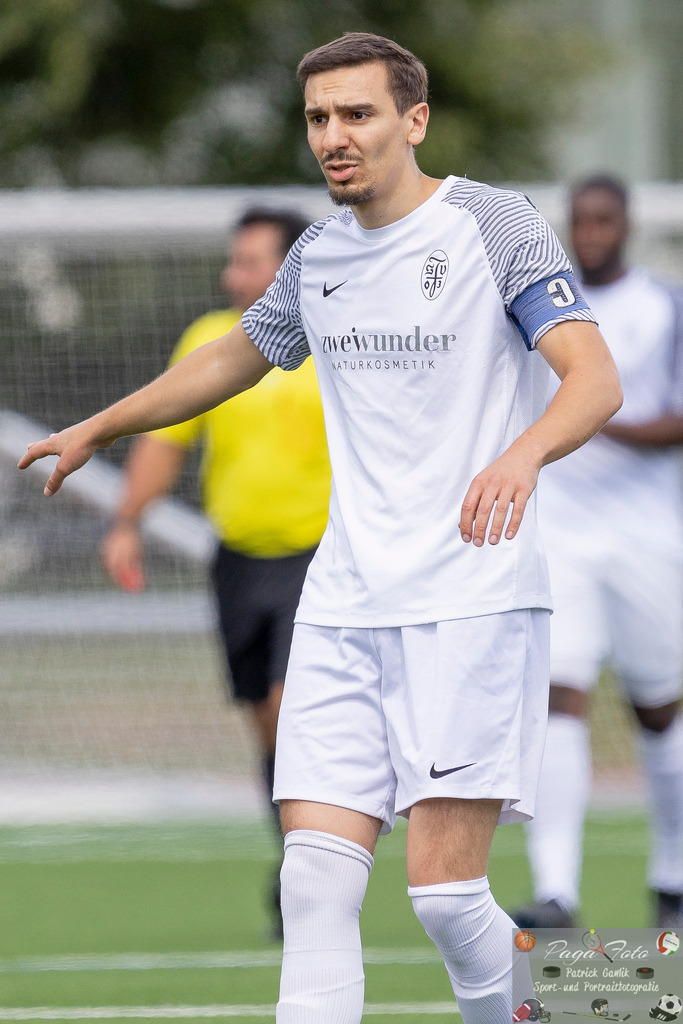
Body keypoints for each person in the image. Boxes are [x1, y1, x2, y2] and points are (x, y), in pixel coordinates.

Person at [18, 33, 623, 1024]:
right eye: (317, 119)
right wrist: (100, 426)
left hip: (469, 600)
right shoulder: (318, 254)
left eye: (357, 114)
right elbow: (231, 361)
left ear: (412, 120)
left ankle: (614, 991)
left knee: (441, 895)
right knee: (313, 883)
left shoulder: (489, 224)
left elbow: (591, 378)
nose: (333, 137)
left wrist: (520, 454)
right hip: (340, 605)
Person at [100, 207, 331, 939]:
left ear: (291, 267)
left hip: (322, 559)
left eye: (250, 261)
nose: (233, 275)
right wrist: (128, 520)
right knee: (269, 725)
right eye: (232, 261)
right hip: (237, 562)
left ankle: (314, 878)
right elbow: (165, 440)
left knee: (296, 714)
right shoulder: (209, 340)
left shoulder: (333, 337)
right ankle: (295, 862)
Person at [514, 175, 683, 930]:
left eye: (602, 219)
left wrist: (588, 413)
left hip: (649, 532)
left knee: (658, 710)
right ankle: (556, 894)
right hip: (561, 533)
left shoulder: (663, 306)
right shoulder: (542, 310)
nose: (589, 232)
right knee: (559, 694)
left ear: (625, 225)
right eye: (577, 220)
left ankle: (672, 876)